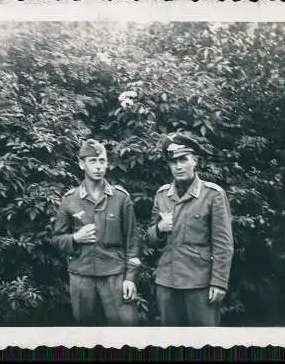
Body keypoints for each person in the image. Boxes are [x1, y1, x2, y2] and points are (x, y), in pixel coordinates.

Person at [147, 132, 234, 326]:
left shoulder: (212, 194)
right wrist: (160, 229)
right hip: (166, 283)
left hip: (199, 283)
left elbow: (223, 244)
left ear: (194, 161)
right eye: (173, 162)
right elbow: (150, 238)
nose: (178, 166)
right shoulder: (162, 195)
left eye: (183, 160)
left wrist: (219, 282)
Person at [51, 139, 141, 326]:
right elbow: (57, 239)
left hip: (115, 275)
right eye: (93, 161)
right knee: (85, 332)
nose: (99, 166)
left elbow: (133, 240)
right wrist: (75, 238)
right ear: (81, 164)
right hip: (81, 276)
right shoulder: (70, 200)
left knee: (126, 329)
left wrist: (130, 278)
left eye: (102, 161)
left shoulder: (121, 198)